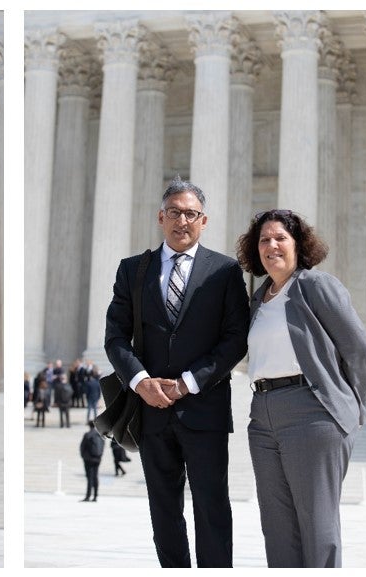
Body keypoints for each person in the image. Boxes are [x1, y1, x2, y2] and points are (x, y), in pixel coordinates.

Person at [105, 176, 249, 567]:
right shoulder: (133, 269)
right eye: (174, 213)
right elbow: (115, 337)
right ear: (160, 217)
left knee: (212, 508)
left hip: (205, 410)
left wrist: (188, 383)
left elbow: (236, 340)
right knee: (163, 510)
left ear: (204, 221)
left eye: (190, 214)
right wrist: (140, 381)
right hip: (151, 411)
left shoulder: (225, 272)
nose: (181, 221)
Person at [236, 209, 366, 568]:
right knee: (277, 527)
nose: (272, 245)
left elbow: (356, 348)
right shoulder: (258, 298)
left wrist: (356, 406)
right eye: (264, 239)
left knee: (318, 523)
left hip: (311, 412)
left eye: (280, 237)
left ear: (298, 244)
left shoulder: (315, 285)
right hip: (262, 416)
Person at [79, 420, 105, 502]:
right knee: (95, 477)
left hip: (88, 459)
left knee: (89, 478)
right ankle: (95, 496)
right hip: (97, 459)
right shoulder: (100, 435)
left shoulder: (87, 435)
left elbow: (82, 447)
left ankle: (88, 496)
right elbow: (103, 447)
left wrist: (83, 456)